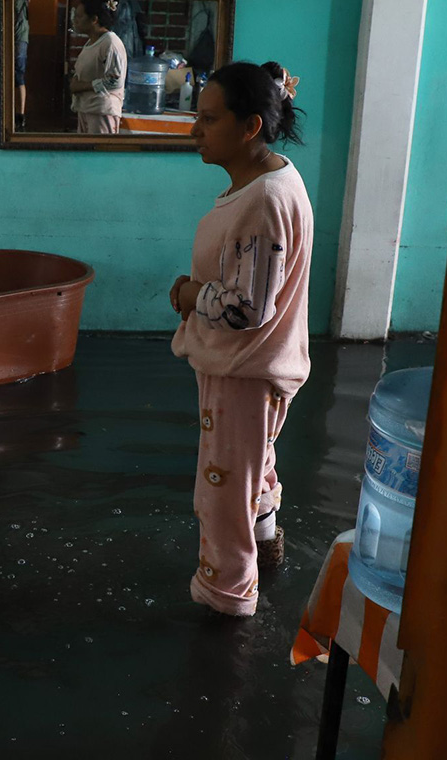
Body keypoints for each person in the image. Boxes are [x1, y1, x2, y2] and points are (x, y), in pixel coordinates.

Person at [169, 61, 311, 617]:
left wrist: (188, 295)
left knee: (222, 491)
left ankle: (226, 600)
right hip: (258, 366)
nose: (195, 130)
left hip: (247, 369)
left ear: (249, 126)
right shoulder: (271, 180)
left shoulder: (263, 202)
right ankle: (268, 545)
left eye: (208, 119)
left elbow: (248, 310)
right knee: (255, 464)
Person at [69, 0, 127, 134]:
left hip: (101, 111)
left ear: (94, 19)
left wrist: (81, 86)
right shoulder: (91, 42)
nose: (75, 21)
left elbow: (115, 81)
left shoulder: (110, 43)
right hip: (86, 108)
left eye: (79, 16)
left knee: (99, 153)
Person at [15, 0, 29, 130]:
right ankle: (20, 115)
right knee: (18, 76)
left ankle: (19, 115)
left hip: (18, 35)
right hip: (21, 36)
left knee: (17, 76)